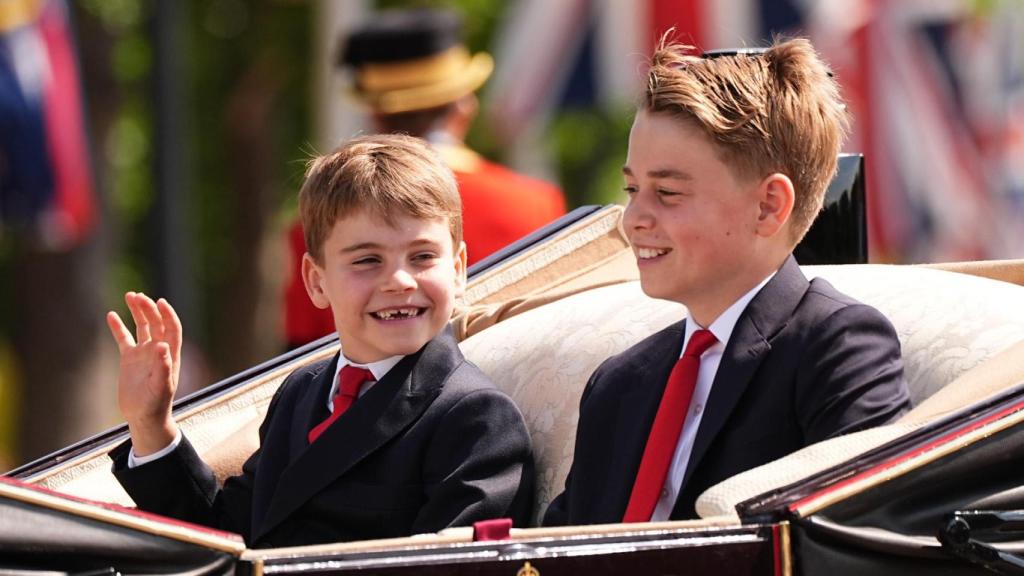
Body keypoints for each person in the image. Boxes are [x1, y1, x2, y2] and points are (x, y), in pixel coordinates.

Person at [543, 37, 911, 526]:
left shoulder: (837, 348)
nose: (633, 219)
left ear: (768, 206)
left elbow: (859, 537)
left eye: (667, 192)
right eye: (632, 189)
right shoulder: (619, 383)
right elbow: (562, 548)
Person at [107, 134, 535, 547]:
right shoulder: (301, 392)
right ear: (316, 281)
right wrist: (150, 424)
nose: (400, 281)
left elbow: (453, 566)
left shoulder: (475, 418)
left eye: (422, 256)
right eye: (368, 260)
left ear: (457, 271)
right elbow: (229, 536)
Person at [284, 8, 566, 349]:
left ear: (375, 115)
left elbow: (301, 353)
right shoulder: (537, 204)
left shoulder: (318, 223)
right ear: (464, 107)